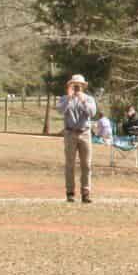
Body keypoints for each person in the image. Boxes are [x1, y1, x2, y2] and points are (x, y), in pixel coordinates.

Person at [59, 74, 97, 203]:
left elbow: (92, 113)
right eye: (74, 85)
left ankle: (86, 193)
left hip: (85, 133)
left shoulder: (89, 99)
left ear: (83, 86)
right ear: (70, 85)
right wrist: (69, 98)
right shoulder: (64, 99)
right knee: (70, 164)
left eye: (79, 85)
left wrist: (83, 100)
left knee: (86, 164)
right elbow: (60, 110)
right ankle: (70, 193)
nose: (76, 87)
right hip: (70, 133)